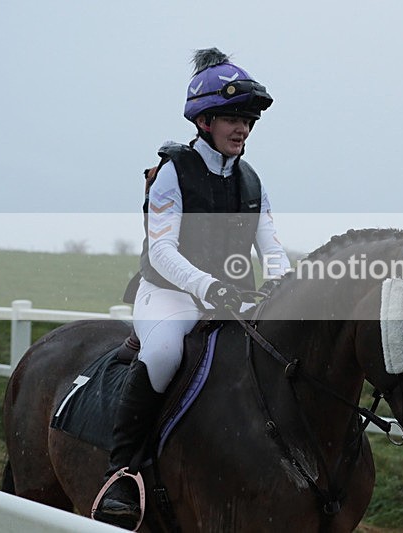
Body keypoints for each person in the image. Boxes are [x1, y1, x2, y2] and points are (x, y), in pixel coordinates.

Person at [93, 48, 291, 529]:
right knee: (163, 353)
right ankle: (121, 472)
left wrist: (287, 284)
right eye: (231, 118)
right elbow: (162, 250)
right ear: (204, 120)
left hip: (231, 296)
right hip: (168, 293)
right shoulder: (171, 173)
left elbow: (272, 246)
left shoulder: (252, 180)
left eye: (248, 119)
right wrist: (209, 288)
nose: (242, 128)